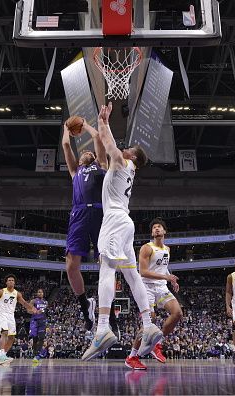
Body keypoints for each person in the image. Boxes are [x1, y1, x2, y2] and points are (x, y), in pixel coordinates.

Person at [82, 102, 155, 361]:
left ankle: (102, 328)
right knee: (132, 275)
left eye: (129, 149)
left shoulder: (123, 163)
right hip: (126, 223)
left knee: (107, 268)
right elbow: (107, 149)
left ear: (133, 157)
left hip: (113, 221)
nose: (125, 149)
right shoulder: (126, 168)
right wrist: (101, 127)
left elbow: (108, 142)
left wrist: (103, 121)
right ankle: (148, 324)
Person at [62, 115, 109, 331]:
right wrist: (66, 128)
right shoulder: (75, 172)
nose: (85, 153)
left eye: (87, 152)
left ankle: (108, 313)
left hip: (100, 213)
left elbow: (98, 136)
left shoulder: (101, 164)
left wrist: (84, 125)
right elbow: (65, 144)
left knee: (106, 265)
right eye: (83, 153)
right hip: (78, 215)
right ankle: (85, 305)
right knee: (71, 265)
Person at [126, 218, 183, 370]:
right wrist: (166, 277)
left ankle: (157, 344)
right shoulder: (146, 248)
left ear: (165, 231)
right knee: (149, 321)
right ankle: (132, 356)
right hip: (146, 287)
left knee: (177, 313)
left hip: (161, 286)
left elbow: (163, 268)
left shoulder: (167, 249)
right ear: (152, 233)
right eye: (154, 228)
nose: (157, 229)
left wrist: (171, 280)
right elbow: (143, 272)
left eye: (159, 227)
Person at [0, 274, 38, 366]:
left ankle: (3, 356)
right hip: (2, 314)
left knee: (12, 338)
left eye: (12, 280)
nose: (11, 281)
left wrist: (32, 308)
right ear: (6, 282)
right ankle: (1, 355)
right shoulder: (1, 292)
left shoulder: (17, 293)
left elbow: (24, 303)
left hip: (11, 316)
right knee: (4, 332)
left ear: (14, 283)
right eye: (9, 280)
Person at [29, 288, 48, 366]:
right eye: (38, 292)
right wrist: (35, 311)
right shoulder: (33, 301)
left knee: (42, 338)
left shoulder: (46, 302)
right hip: (34, 321)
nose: (40, 293)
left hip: (42, 321)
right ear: (37, 293)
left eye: (41, 292)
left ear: (43, 294)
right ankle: (34, 354)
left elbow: (45, 313)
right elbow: (28, 310)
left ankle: (37, 355)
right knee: (35, 339)